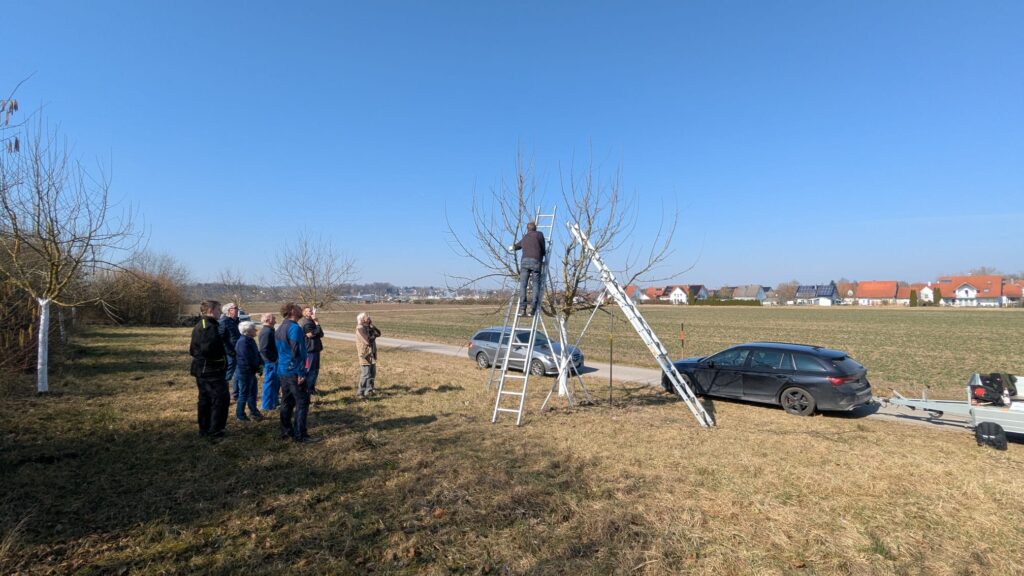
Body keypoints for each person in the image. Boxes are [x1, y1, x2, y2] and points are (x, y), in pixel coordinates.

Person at [276, 302, 318, 442]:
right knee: (302, 402)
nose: (302, 310)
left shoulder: (280, 327)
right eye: (299, 308)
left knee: (286, 401)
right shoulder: (295, 328)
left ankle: (286, 432)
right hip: (294, 371)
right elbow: (297, 351)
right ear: (292, 311)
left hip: (283, 370)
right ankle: (301, 435)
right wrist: (301, 372)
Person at [189, 300, 230, 438]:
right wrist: (220, 360)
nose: (221, 312)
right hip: (210, 371)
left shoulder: (206, 324)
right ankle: (215, 431)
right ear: (210, 311)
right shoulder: (207, 327)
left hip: (204, 370)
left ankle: (205, 429)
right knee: (219, 400)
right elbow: (207, 350)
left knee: (205, 400)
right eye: (218, 310)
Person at [510, 221, 546, 316]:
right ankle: (533, 309)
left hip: (525, 262)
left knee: (523, 285)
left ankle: (522, 309)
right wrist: (543, 254)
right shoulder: (539, 234)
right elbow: (543, 248)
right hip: (536, 261)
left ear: (527, 229)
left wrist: (512, 247)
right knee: (535, 284)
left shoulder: (525, 237)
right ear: (535, 228)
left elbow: (517, 246)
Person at [234, 321, 263, 422]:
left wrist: (260, 365)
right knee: (244, 393)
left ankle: (253, 411)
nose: (256, 330)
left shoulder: (250, 340)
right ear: (248, 331)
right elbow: (247, 359)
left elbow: (257, 354)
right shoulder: (242, 342)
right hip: (244, 372)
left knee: (253, 393)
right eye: (254, 329)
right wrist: (256, 367)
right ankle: (240, 415)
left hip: (251, 371)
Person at [356, 312, 382, 398]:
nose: (369, 317)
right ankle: (360, 392)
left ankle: (369, 391)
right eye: (367, 316)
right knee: (366, 374)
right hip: (365, 354)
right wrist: (373, 335)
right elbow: (367, 341)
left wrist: (372, 326)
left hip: (372, 353)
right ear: (362, 319)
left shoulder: (368, 327)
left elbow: (379, 333)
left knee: (372, 373)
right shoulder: (360, 328)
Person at [299, 306, 325, 394]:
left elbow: (321, 334)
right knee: (310, 370)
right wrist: (317, 323)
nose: (311, 312)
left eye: (311, 311)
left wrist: (317, 326)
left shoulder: (312, 322)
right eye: (309, 311)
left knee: (315, 370)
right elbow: (312, 334)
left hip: (315, 349)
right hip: (310, 350)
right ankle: (308, 389)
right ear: (305, 313)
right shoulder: (306, 323)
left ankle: (311, 388)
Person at [219, 302, 241, 401]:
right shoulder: (224, 322)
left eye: (237, 308)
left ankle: (235, 394)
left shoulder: (236, 321)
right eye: (235, 308)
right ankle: (222, 395)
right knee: (228, 375)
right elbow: (221, 339)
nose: (237, 310)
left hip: (238, 352)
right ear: (228, 311)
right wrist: (229, 352)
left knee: (238, 374)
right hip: (230, 353)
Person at [258, 313, 280, 411]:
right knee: (269, 383)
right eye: (273, 318)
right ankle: (266, 406)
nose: (275, 319)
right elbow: (263, 349)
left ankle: (274, 403)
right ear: (267, 320)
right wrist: (273, 359)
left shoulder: (270, 330)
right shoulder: (266, 332)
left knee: (275, 383)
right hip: (270, 362)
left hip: (272, 361)